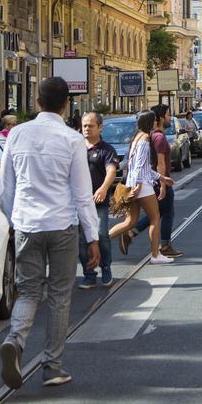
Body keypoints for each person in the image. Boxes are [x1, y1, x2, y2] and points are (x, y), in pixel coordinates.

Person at [0, 77, 102, 390]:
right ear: (66, 104)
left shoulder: (16, 134)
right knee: (59, 296)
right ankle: (52, 367)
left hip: (27, 225)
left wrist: (14, 220)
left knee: (28, 291)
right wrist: (93, 236)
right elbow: (83, 194)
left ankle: (15, 342)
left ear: (38, 102)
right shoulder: (72, 140)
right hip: (61, 226)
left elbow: (6, 189)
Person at [107, 112, 174, 267]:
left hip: (134, 182)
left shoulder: (136, 138)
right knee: (155, 218)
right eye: (155, 120)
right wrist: (138, 186)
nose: (156, 122)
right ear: (150, 122)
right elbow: (139, 166)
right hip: (142, 185)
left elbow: (142, 167)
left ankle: (99, 240)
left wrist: (162, 178)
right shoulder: (144, 139)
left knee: (130, 221)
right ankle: (155, 255)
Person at [129, 104, 184, 260]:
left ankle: (132, 232)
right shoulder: (157, 137)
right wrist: (163, 184)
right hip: (153, 182)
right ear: (159, 118)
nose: (170, 118)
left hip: (150, 181)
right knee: (162, 214)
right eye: (167, 115)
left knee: (157, 213)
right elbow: (159, 163)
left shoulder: (146, 136)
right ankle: (162, 247)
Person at [77, 112, 119, 289]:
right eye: (84, 125)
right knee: (82, 239)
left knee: (101, 234)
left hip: (98, 202)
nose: (86, 129)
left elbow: (111, 170)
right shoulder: (76, 148)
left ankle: (106, 266)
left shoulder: (106, 149)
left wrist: (103, 188)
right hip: (79, 203)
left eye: (90, 125)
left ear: (100, 127)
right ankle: (89, 274)